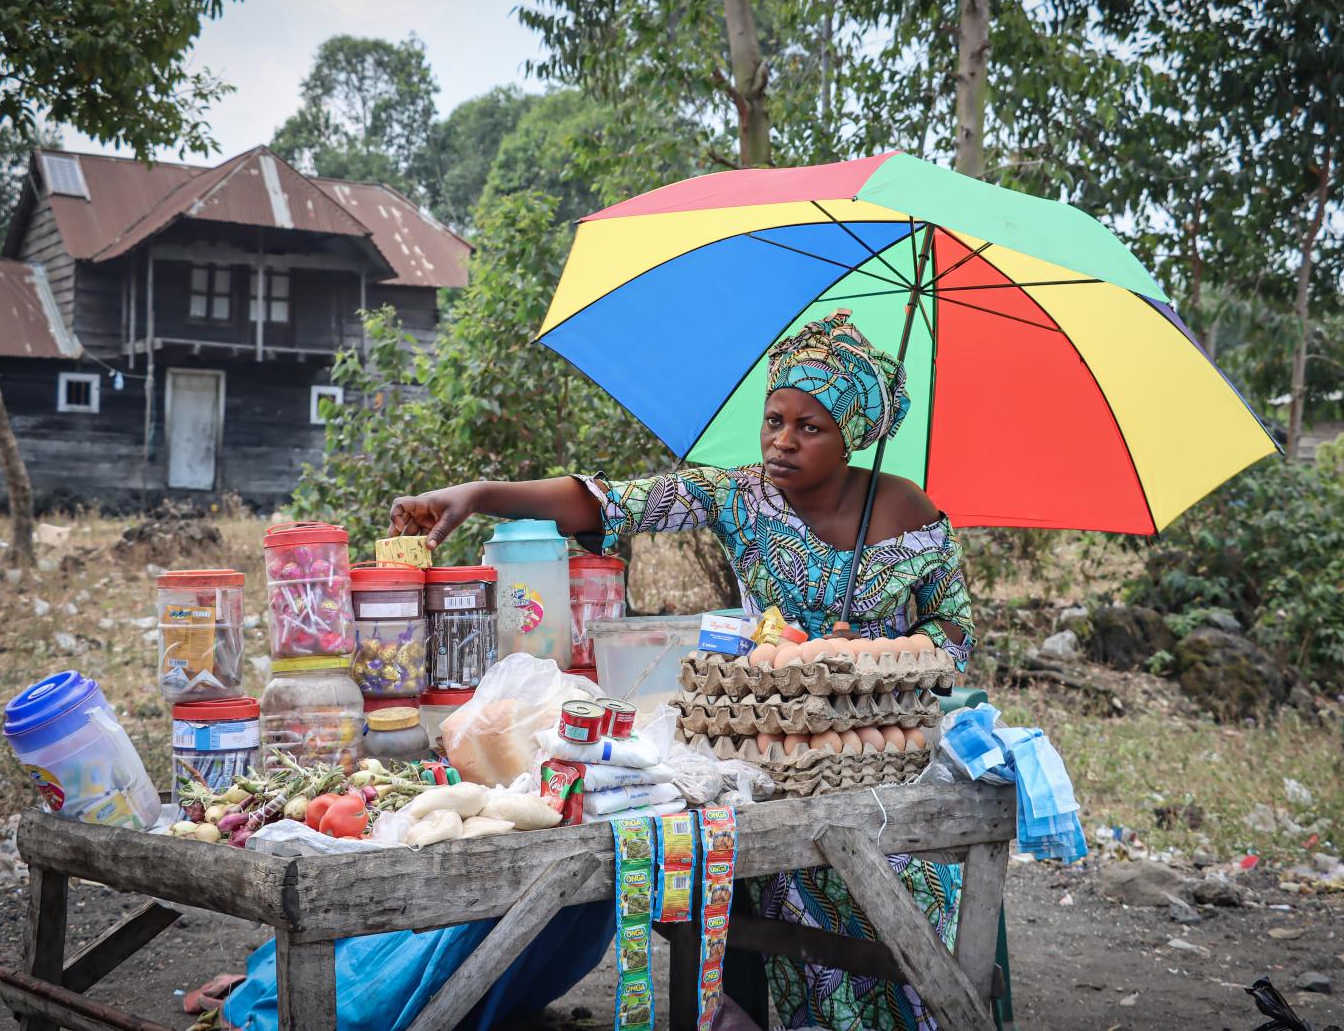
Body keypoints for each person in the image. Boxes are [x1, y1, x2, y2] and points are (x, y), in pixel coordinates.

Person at [392, 313, 977, 1031]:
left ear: (852, 431)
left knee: (905, 901)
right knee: (774, 881)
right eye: (774, 420)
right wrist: (481, 493)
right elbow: (610, 501)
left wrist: (881, 658)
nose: (782, 440)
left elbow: (956, 632)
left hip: (889, 754)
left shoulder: (906, 509)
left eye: (809, 427)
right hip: (770, 749)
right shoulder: (741, 497)